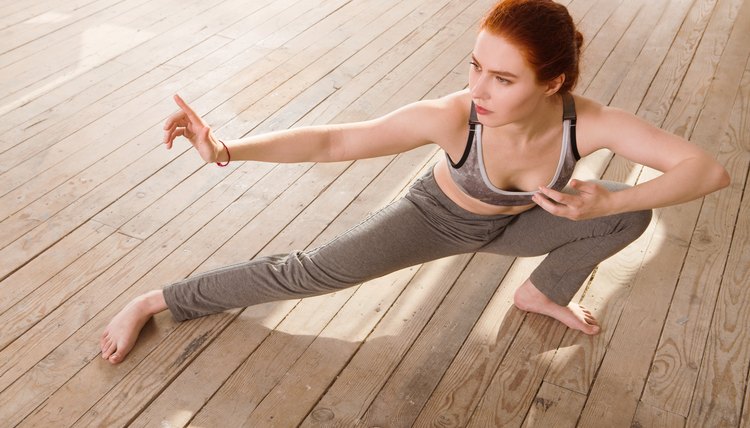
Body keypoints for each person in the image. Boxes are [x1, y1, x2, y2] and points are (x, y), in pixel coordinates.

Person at [100, 0, 729, 364]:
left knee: (629, 213)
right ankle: (158, 300)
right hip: (430, 221)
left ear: (554, 83)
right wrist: (226, 149)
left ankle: (540, 293)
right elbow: (335, 141)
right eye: (476, 67)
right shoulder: (456, 116)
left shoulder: (588, 122)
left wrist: (602, 204)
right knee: (305, 272)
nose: (479, 89)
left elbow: (709, 169)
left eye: (503, 80)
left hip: (513, 226)